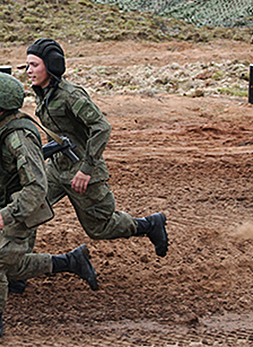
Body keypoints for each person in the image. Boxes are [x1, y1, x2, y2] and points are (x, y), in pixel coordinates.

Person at [0, 72, 98, 345]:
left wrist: (6, 215)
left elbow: (36, 189)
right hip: (9, 203)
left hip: (22, 208)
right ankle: (71, 261)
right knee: (11, 266)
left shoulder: (19, 138)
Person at [25, 38, 169, 256]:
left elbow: (101, 127)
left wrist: (86, 170)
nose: (28, 71)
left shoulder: (71, 95)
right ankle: (18, 267)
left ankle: (148, 225)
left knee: (100, 228)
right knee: (29, 210)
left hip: (81, 169)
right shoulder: (43, 94)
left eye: (34, 65)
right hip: (56, 169)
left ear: (51, 65)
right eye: (27, 65)